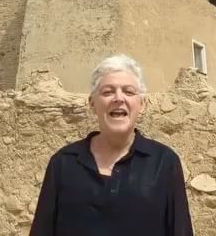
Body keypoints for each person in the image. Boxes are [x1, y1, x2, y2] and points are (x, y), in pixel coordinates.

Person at [29, 54, 193, 236]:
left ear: (142, 104)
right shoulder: (63, 163)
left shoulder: (164, 163)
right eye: (108, 92)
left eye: (129, 92)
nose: (118, 98)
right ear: (92, 103)